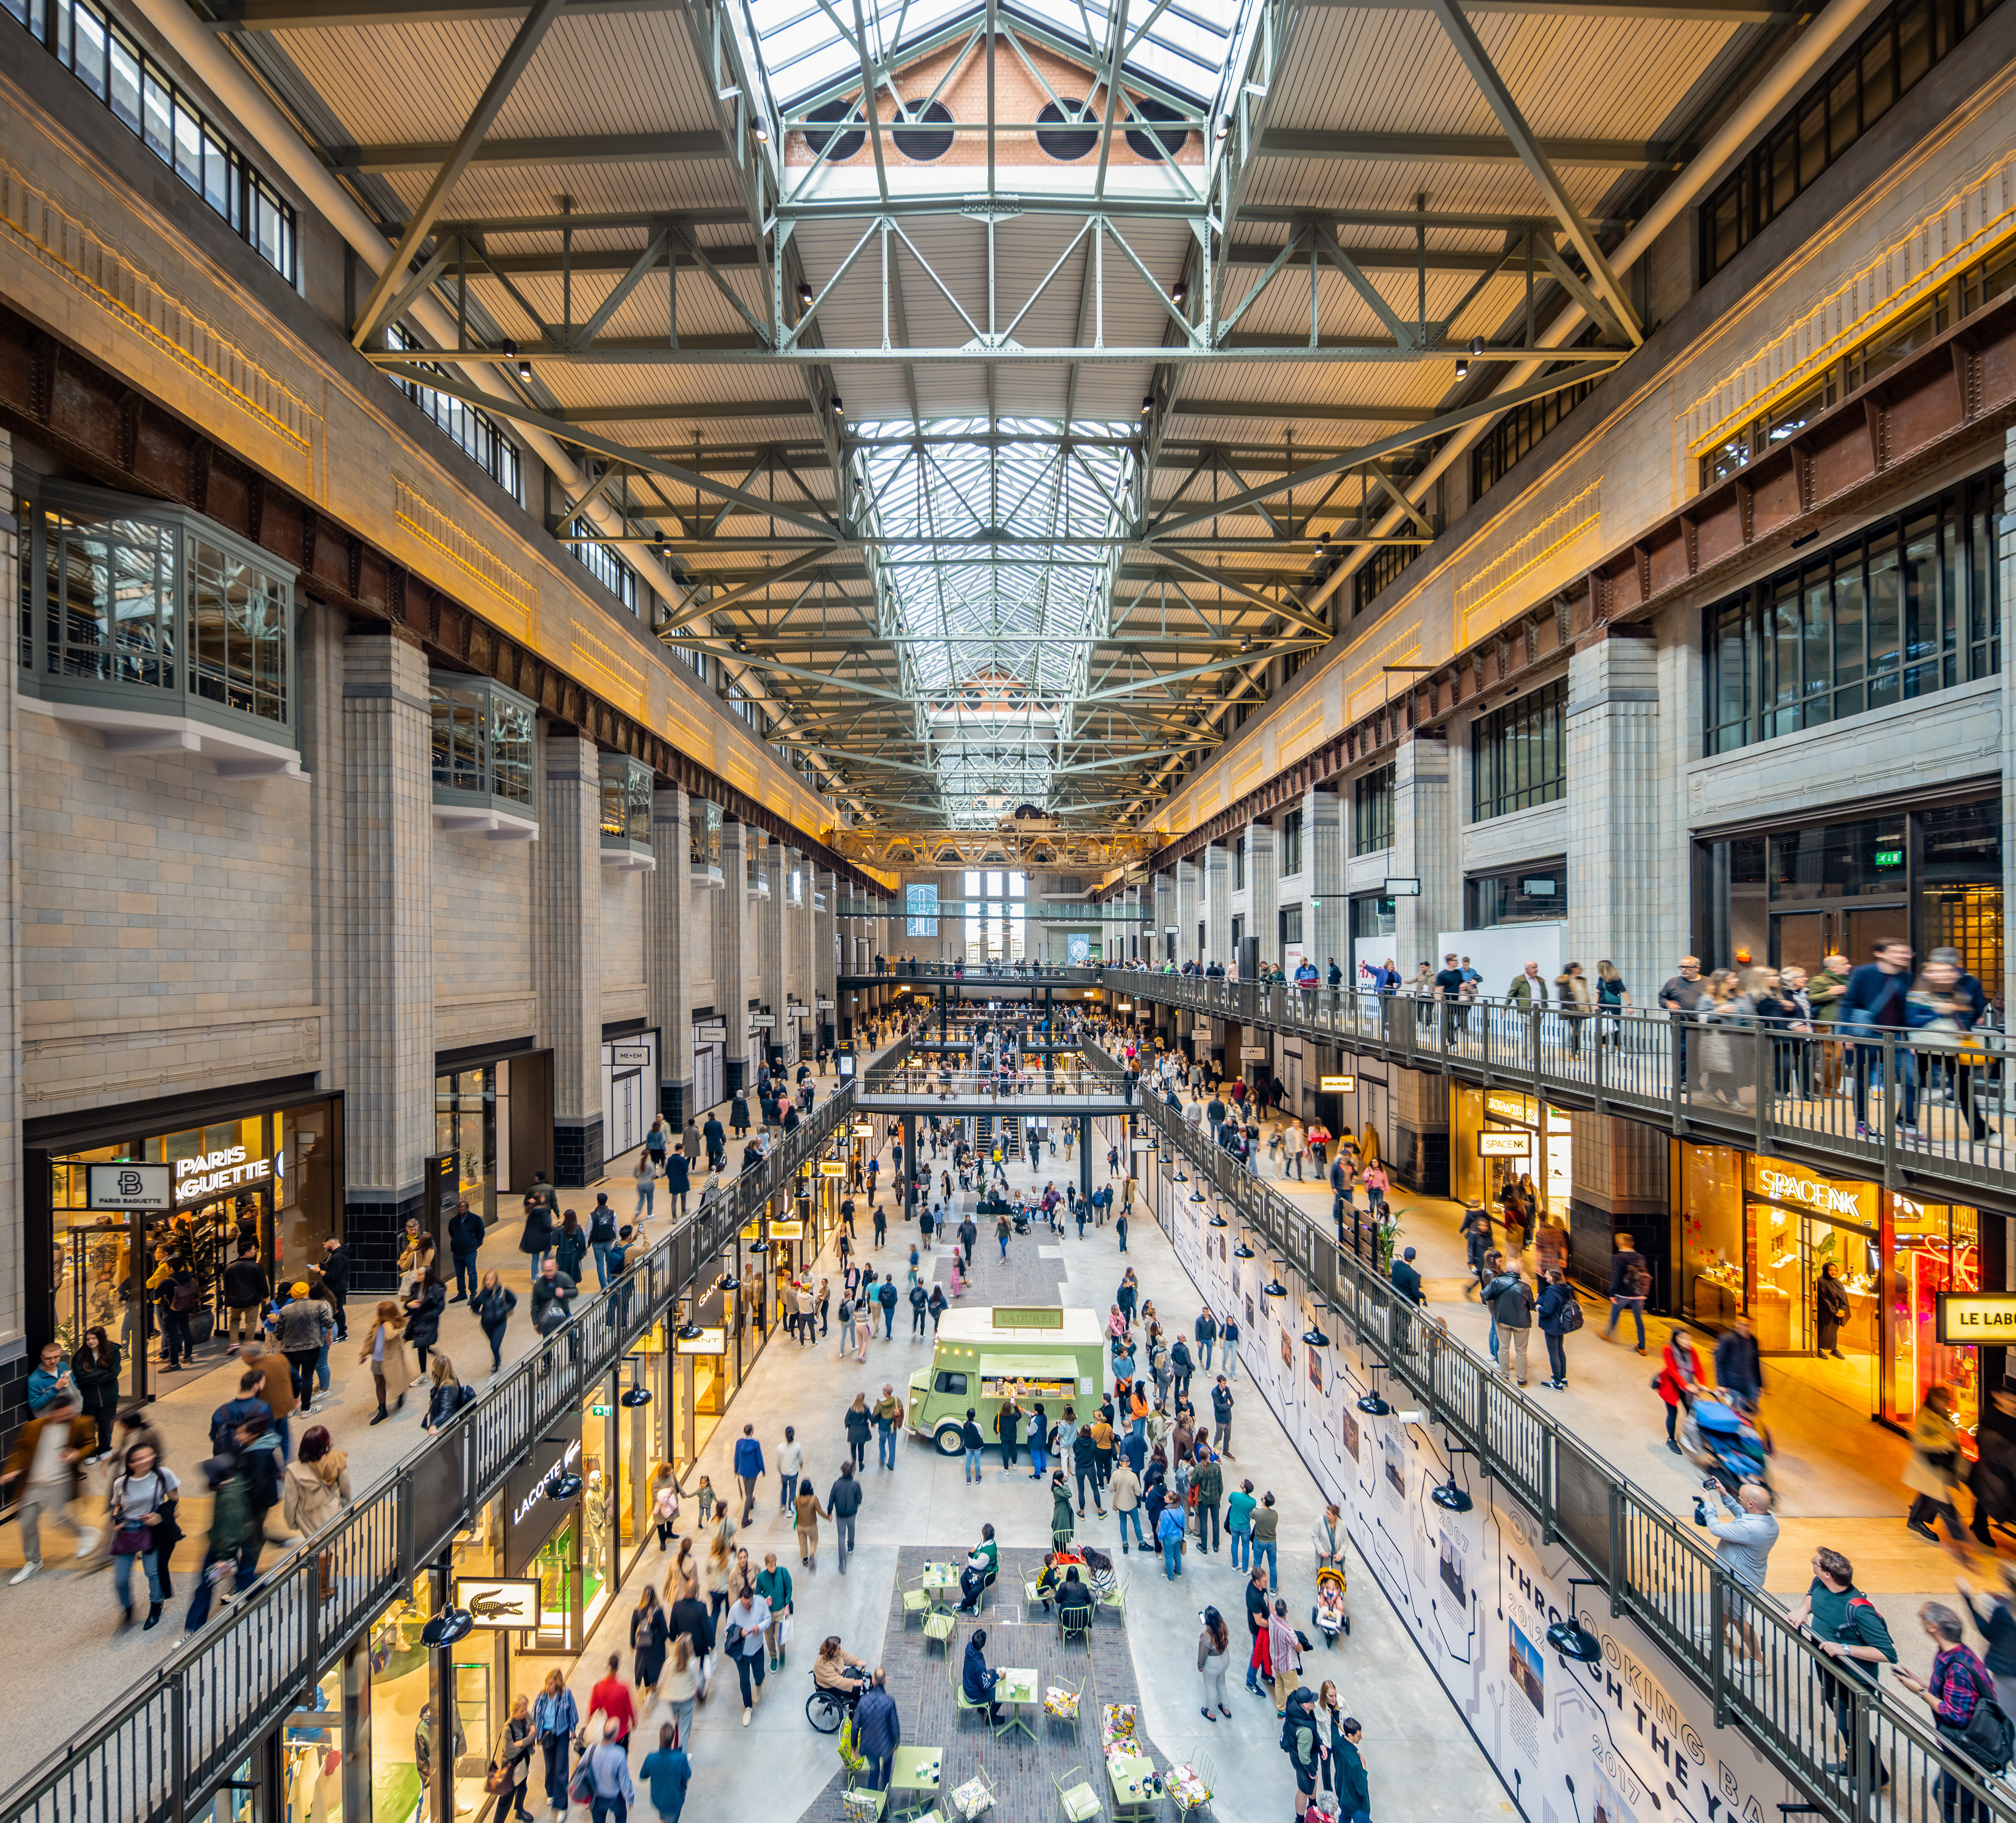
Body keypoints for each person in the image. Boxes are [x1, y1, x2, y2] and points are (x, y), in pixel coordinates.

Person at [1786, 1547, 1897, 1785]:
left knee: (1853, 1725)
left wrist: (1844, 1649)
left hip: (1854, 1679)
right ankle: (1854, 1763)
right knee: (1843, 1721)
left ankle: (1876, 1775)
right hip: (1828, 1668)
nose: (1813, 1566)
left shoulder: (1860, 1610)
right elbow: (1811, 1596)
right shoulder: (1820, 1583)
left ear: (1828, 1574)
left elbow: (1888, 1653)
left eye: (1814, 1563)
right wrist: (1802, 1611)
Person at [1895, 1603, 2000, 1820]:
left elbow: (1956, 1714)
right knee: (1973, 1796)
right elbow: (1953, 1689)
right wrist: (1926, 1682)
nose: (1922, 1621)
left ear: (1933, 1628)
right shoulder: (1956, 1652)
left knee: (1948, 1796)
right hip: (1968, 1742)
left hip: (1967, 1745)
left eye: (1924, 1619)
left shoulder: (1957, 1666)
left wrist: (1921, 1692)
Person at [1, 1390, 98, 1580]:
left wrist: (76, 1454)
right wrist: (12, 1470)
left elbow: (90, 1443)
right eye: (63, 1415)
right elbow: (20, 1450)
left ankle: (86, 1533)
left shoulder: (80, 1424)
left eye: (70, 1414)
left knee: (60, 1518)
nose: (67, 1418)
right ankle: (34, 1562)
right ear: (53, 1413)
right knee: (27, 1522)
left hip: (60, 1481)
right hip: (34, 1484)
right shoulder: (34, 1428)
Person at [108, 1439, 179, 1629]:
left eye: (149, 1455)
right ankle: (128, 1609)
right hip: (128, 1531)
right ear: (130, 1464)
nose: (146, 1460)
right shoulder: (121, 1483)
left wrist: (160, 1516)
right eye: (139, 1459)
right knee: (120, 1579)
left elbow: (174, 1499)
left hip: (152, 1530)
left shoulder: (164, 1475)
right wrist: (118, 1520)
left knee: (152, 1572)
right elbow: (117, 1507)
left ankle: (156, 1605)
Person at [1907, 1384, 1972, 1554]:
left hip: (1941, 1465)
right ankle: (1962, 1540)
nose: (1945, 1403)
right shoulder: (1925, 1416)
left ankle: (1915, 1520)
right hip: (1930, 1466)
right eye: (1942, 1400)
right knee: (1944, 1502)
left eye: (1946, 1400)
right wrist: (1944, 1443)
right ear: (1933, 1399)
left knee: (1929, 1494)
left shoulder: (1943, 1414)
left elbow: (1951, 1436)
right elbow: (1919, 1442)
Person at [282, 1423, 350, 1538]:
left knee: (318, 1552)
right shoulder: (338, 1460)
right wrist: (347, 1509)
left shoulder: (294, 1471)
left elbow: (291, 1502)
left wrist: (292, 1523)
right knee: (333, 1549)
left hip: (308, 1521)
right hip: (334, 1513)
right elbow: (346, 1489)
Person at [533, 1668, 579, 1816]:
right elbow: (535, 1714)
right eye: (547, 1683)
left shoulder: (566, 1694)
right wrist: (534, 1734)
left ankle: (562, 1806)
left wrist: (573, 1729)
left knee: (561, 1768)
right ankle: (551, 1792)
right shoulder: (542, 1696)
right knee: (550, 1766)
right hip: (546, 1735)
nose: (548, 1687)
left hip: (562, 1733)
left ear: (558, 1684)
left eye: (551, 1684)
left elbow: (573, 1712)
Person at [360, 1300, 414, 1425]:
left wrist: (387, 1324)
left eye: (381, 1314)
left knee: (394, 1381)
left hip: (391, 1361)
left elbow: (390, 1336)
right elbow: (369, 1338)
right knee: (379, 1384)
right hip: (377, 1359)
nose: (378, 1316)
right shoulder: (377, 1323)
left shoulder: (393, 1326)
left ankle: (401, 1393)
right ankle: (383, 1410)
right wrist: (364, 1353)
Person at [578, 1715, 635, 1823]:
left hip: (596, 1798)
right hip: (614, 1797)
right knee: (621, 1815)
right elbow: (625, 1782)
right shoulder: (619, 1754)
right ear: (616, 1735)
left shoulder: (591, 1749)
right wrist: (630, 1798)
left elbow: (581, 1769)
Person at [1657, 1325, 1705, 1451]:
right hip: (1672, 1386)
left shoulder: (1692, 1351)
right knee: (1673, 1414)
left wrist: (1702, 1384)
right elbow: (1672, 1371)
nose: (1688, 1342)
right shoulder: (1668, 1350)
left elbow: (1699, 1369)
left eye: (1689, 1339)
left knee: (1692, 1412)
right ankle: (1671, 1440)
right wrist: (1686, 1386)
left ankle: (1690, 1435)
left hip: (1688, 1386)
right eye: (1684, 1339)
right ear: (1677, 1339)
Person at [1601, 1232, 1649, 1354]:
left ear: (1621, 1243)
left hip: (1623, 1294)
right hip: (1639, 1294)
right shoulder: (1641, 1257)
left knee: (1615, 1313)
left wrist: (1612, 1293)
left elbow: (1616, 1277)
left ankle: (1607, 1334)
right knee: (1639, 1320)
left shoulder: (1619, 1257)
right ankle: (1642, 1347)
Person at [855, 1667, 901, 1791]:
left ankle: (873, 1803)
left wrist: (854, 1747)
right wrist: (897, 1742)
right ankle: (885, 1788)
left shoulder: (863, 1701)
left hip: (870, 1747)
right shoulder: (889, 1702)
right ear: (886, 1681)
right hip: (886, 1746)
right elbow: (895, 1727)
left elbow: (855, 1726)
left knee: (874, 1773)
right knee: (887, 1766)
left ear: (873, 1681)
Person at [638, 1721, 691, 1823]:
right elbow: (687, 1775)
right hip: (675, 1802)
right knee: (672, 1819)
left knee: (663, 1816)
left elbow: (643, 1776)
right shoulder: (681, 1758)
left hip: (657, 1799)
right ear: (672, 1741)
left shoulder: (651, 1758)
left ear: (659, 1739)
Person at [1713, 1312, 1763, 1411]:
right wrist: (1722, 1384)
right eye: (1743, 1325)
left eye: (1748, 1326)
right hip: (1734, 1386)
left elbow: (1756, 1363)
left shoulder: (1754, 1341)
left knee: (1752, 1414)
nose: (1746, 1328)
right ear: (1736, 1324)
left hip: (1751, 1385)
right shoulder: (1727, 1339)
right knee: (1738, 1415)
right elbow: (1720, 1362)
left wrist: (1760, 1384)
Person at [403, 1266, 447, 1376]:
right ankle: (428, 1350)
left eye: (420, 1275)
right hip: (418, 1321)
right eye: (417, 1275)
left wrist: (428, 1316)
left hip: (428, 1321)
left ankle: (423, 1374)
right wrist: (408, 1305)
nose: (417, 1277)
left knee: (421, 1347)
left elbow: (440, 1308)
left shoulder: (436, 1289)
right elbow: (410, 1302)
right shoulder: (416, 1287)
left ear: (427, 1276)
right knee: (422, 1344)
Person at [471, 1270, 516, 1375]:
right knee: (493, 1344)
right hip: (486, 1324)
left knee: (495, 1346)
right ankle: (497, 1356)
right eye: (487, 1279)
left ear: (496, 1280)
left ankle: (497, 1362)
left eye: (492, 1279)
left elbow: (513, 1301)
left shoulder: (504, 1291)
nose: (489, 1282)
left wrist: (505, 1309)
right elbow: (474, 1308)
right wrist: (482, 1314)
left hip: (500, 1323)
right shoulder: (482, 1294)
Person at [630, 1583, 670, 1698]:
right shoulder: (658, 1611)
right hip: (656, 1645)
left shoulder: (637, 1612)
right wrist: (666, 1638)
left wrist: (633, 1644)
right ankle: (653, 1689)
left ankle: (647, 1689)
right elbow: (664, 1631)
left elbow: (633, 1629)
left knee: (645, 1667)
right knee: (656, 1667)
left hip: (642, 1645)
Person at [1334, 1715, 1372, 1823]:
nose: (1361, 1738)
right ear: (1350, 1735)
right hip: (1357, 1805)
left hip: (1342, 1797)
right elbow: (1361, 1789)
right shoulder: (1355, 1762)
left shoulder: (1337, 1743)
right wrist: (1364, 1769)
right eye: (1359, 1736)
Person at [827, 1460, 863, 1574]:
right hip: (852, 1513)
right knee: (852, 1528)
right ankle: (851, 1547)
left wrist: (829, 1512)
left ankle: (842, 1564)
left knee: (841, 1536)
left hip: (841, 1515)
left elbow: (831, 1499)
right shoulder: (856, 1485)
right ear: (852, 1472)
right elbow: (859, 1499)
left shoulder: (837, 1484)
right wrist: (856, 1506)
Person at [961, 1628, 1003, 1724]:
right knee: (1000, 1693)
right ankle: (991, 1719)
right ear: (983, 1645)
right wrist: (998, 1677)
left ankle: (981, 1708)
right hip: (974, 1696)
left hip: (969, 1685)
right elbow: (986, 1686)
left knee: (992, 1672)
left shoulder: (969, 1646)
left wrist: (985, 1677)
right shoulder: (979, 1665)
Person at [1198, 1606, 1233, 1721]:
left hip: (1213, 1665)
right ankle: (1226, 1708)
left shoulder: (1206, 1638)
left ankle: (1212, 1713)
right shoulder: (1223, 1629)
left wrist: (1200, 1666)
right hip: (1225, 1660)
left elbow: (1202, 1656)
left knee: (1211, 1687)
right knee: (1222, 1684)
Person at [448, 1198, 485, 1303]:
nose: (462, 1209)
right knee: (459, 1275)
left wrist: (476, 1245)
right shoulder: (454, 1221)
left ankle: (473, 1295)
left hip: (470, 1252)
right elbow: (452, 1233)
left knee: (472, 1274)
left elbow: (481, 1233)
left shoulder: (476, 1219)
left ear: (468, 1208)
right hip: (457, 1253)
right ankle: (462, 1294)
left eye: (464, 1207)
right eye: (460, 1207)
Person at [956, 1522, 998, 1611]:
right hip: (980, 1568)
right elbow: (979, 1544)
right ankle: (973, 1603)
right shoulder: (988, 1541)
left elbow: (977, 1565)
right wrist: (974, 1548)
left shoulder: (987, 1553)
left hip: (987, 1574)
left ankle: (964, 1605)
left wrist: (970, 1556)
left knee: (974, 1591)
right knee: (963, 1579)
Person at [1815, 1262, 1851, 1361]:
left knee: (1834, 1331)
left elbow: (1844, 1296)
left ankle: (1834, 1349)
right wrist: (1835, 1311)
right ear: (1826, 1271)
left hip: (1839, 1310)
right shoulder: (1821, 1281)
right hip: (1826, 1310)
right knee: (1824, 1329)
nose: (1833, 1272)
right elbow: (1823, 1299)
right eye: (1831, 1270)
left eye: (1835, 1270)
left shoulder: (1838, 1282)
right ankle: (1819, 1348)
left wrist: (1843, 1309)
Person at [733, 1422, 766, 1526]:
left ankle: (751, 1503)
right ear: (752, 1432)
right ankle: (745, 1520)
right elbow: (759, 1458)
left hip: (743, 1471)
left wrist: (736, 1470)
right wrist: (763, 1470)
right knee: (749, 1493)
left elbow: (736, 1457)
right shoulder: (756, 1444)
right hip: (753, 1471)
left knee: (748, 1491)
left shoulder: (739, 1443)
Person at [1251, 1490, 1280, 1588]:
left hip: (1259, 1542)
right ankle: (1273, 1588)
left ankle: (1256, 1585)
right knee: (1273, 1566)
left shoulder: (1257, 1513)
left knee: (1257, 1563)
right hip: (1272, 1543)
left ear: (1264, 1501)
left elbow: (1251, 1515)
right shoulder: (1275, 1514)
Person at [1211, 1375, 1236, 1460]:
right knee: (1219, 1437)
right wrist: (1227, 1404)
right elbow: (1219, 1408)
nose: (1225, 1385)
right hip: (1221, 1420)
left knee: (1228, 1437)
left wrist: (1227, 1405)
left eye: (1226, 1383)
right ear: (1219, 1383)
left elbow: (1232, 1402)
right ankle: (1216, 1454)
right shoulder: (1215, 1393)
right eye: (1224, 1383)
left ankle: (1226, 1452)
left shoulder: (1227, 1390)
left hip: (1228, 1418)